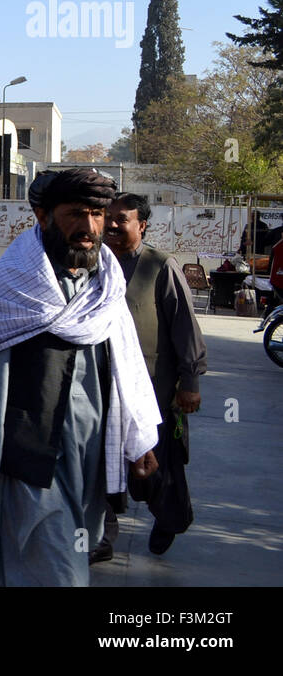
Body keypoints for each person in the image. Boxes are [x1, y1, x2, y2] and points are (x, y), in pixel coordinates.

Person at [0, 168, 160, 586]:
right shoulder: (9, 285)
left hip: (93, 455)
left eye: (98, 215)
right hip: (34, 454)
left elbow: (127, 364)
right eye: (75, 214)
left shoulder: (106, 284)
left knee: (47, 561)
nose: (89, 227)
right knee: (57, 572)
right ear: (43, 216)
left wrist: (139, 437)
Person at [102, 192, 206, 556]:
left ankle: (170, 519)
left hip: (155, 393)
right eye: (108, 217)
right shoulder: (92, 264)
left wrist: (189, 382)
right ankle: (103, 536)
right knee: (104, 467)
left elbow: (185, 328)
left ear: (141, 225)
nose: (112, 224)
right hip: (103, 390)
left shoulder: (159, 266)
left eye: (122, 219)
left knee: (158, 468)